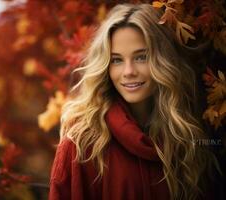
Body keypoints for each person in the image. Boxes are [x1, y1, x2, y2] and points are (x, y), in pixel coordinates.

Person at [49, 3, 221, 200]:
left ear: (162, 61)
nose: (129, 72)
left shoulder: (186, 134)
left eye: (141, 57)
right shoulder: (81, 143)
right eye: (117, 60)